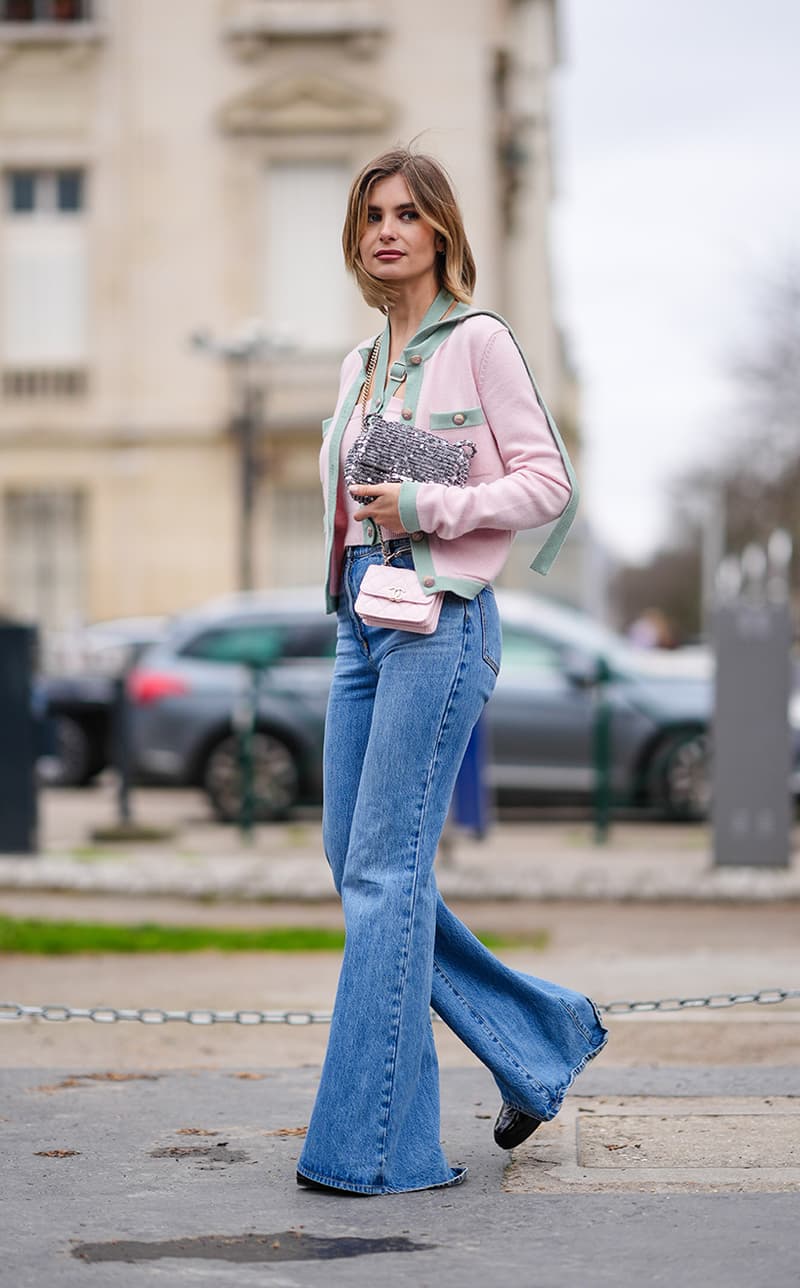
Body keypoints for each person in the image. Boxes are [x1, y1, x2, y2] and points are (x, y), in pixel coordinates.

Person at [297, 148, 608, 1196]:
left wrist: (428, 506)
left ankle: (377, 1145)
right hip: (359, 620)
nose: (387, 230)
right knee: (360, 866)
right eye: (370, 215)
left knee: (386, 877)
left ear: (439, 232)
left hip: (441, 622)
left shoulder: (475, 341)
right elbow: (363, 488)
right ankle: (538, 1040)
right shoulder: (358, 366)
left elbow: (542, 482)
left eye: (406, 214)